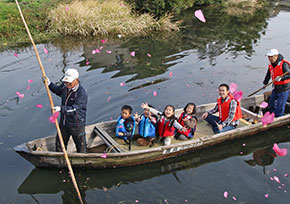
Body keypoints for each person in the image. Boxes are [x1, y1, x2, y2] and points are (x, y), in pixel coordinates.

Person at [44, 69, 88, 153]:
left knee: (81, 147)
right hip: (64, 123)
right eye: (66, 82)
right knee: (60, 144)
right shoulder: (65, 86)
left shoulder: (81, 93)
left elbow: (75, 108)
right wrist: (49, 83)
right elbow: (57, 90)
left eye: (70, 83)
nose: (67, 85)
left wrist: (61, 109)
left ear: (76, 80)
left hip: (76, 124)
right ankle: (60, 160)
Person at [263, 49, 290, 117]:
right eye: (269, 57)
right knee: (271, 102)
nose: (270, 58)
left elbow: (289, 74)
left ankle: (278, 117)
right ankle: (271, 114)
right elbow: (268, 74)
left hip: (284, 88)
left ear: (276, 56)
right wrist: (265, 83)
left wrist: (281, 78)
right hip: (276, 87)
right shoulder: (271, 65)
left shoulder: (284, 64)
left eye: (271, 57)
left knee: (280, 104)